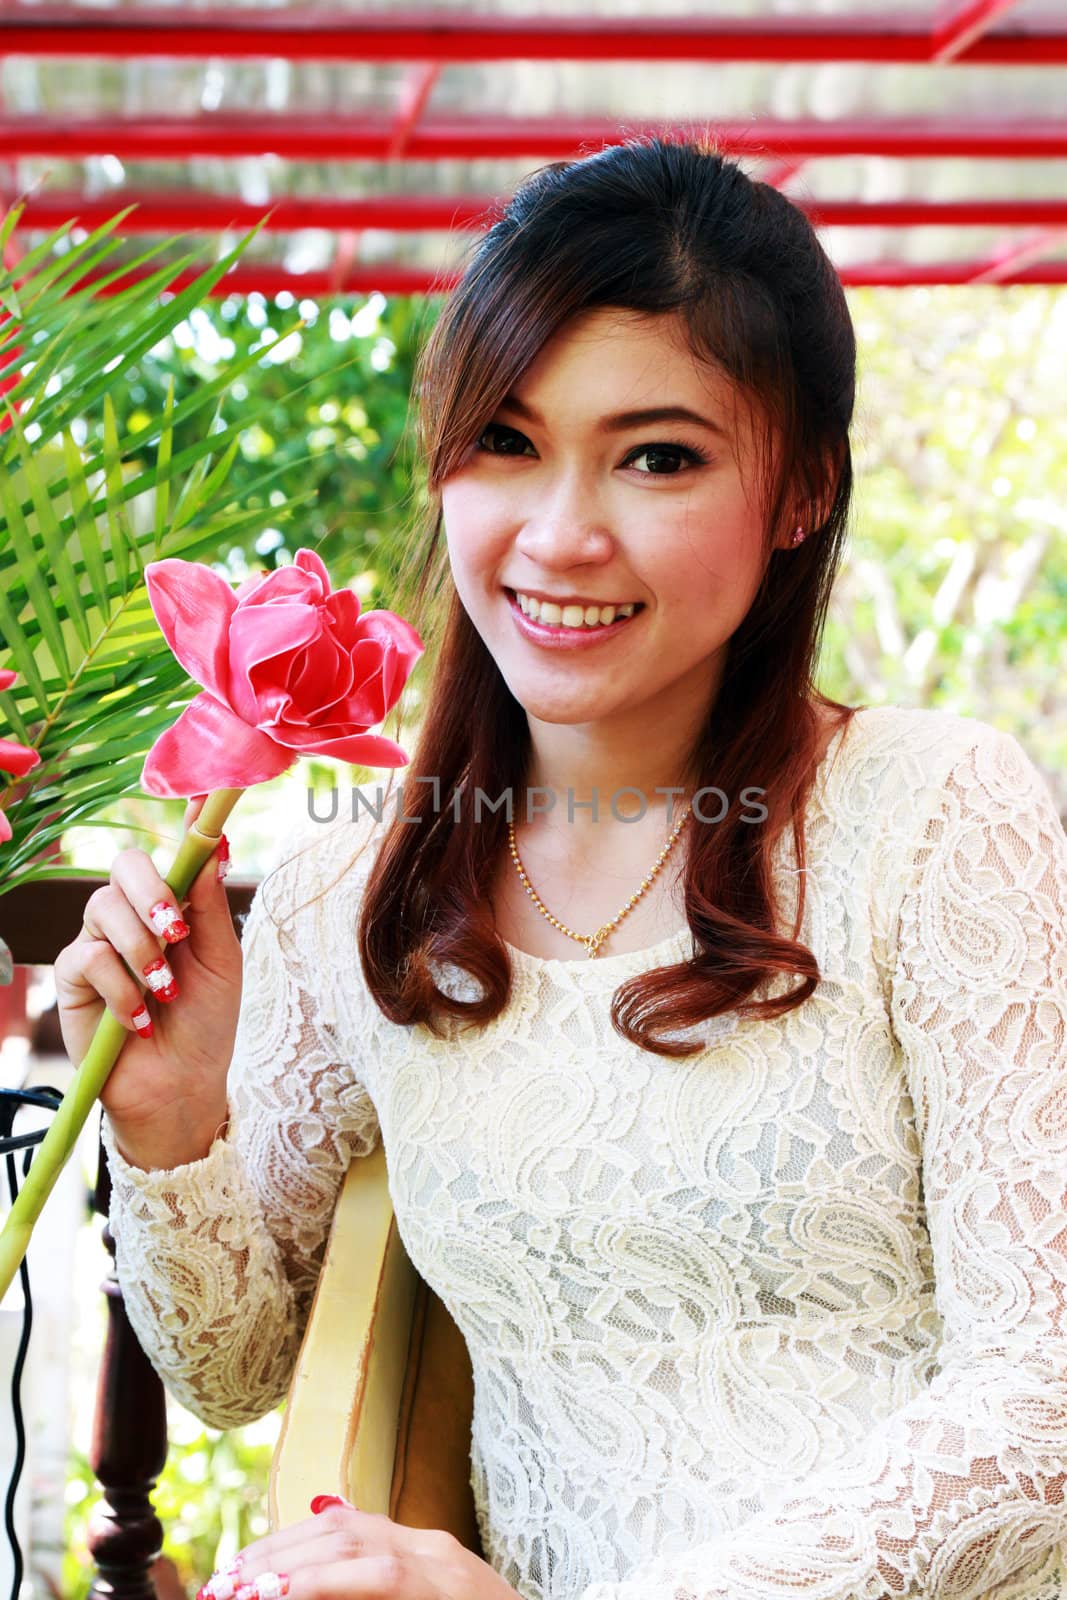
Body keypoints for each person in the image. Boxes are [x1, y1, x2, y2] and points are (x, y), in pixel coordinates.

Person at [54, 135, 1067, 1600]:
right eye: (506, 444)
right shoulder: (353, 891)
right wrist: (165, 1132)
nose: (560, 535)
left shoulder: (932, 812)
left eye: (659, 456)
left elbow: (1043, 1409)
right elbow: (235, 1373)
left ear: (800, 494)